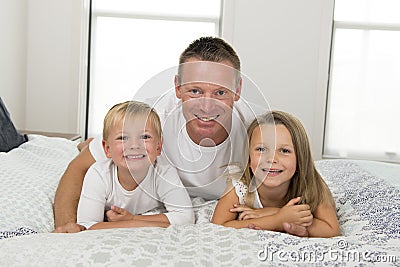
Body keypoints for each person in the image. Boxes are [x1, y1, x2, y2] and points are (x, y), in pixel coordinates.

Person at [53, 36, 307, 236]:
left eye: (220, 93)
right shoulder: (150, 119)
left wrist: (275, 215)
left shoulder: (260, 129)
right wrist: (68, 227)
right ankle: (88, 142)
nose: (207, 108)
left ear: (238, 90)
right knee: (92, 150)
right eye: (195, 91)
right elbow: (78, 168)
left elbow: (299, 178)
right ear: (177, 87)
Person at [211, 111, 341, 237]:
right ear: (248, 158)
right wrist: (278, 220)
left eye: (284, 150)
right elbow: (218, 226)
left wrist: (273, 214)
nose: (272, 159)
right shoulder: (240, 186)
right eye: (261, 149)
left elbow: (332, 229)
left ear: (300, 159)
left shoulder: (311, 185)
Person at [75, 100, 194, 231]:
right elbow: (87, 225)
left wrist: (132, 219)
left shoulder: (164, 172)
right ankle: (85, 146)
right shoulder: (98, 174)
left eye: (144, 136)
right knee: (84, 150)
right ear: (107, 149)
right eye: (123, 138)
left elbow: (185, 217)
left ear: (159, 147)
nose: (134, 146)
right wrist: (145, 223)